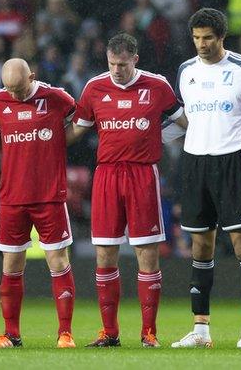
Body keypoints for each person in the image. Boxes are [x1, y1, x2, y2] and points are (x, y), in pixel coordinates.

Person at [73, 33, 183, 348]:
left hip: (142, 175)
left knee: (146, 252)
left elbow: (184, 119)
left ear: (135, 59)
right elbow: (78, 127)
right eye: (111, 64)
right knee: (105, 252)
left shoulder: (157, 86)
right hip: (106, 175)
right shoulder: (95, 87)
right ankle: (110, 332)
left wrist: (158, 138)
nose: (116, 70)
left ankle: (149, 332)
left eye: (122, 64)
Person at [169, 8, 241, 348]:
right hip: (195, 163)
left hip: (232, 162)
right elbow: (177, 117)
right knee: (200, 245)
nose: (201, 44)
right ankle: (201, 330)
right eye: (196, 38)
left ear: (221, 37)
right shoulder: (185, 71)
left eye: (207, 38)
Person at [0, 59, 78, 348]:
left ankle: (65, 333)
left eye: (19, 89)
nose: (14, 95)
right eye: (9, 89)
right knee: (10, 265)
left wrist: (58, 141)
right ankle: (11, 335)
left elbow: (83, 120)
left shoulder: (56, 97)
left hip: (49, 196)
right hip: (12, 198)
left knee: (58, 261)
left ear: (32, 77)